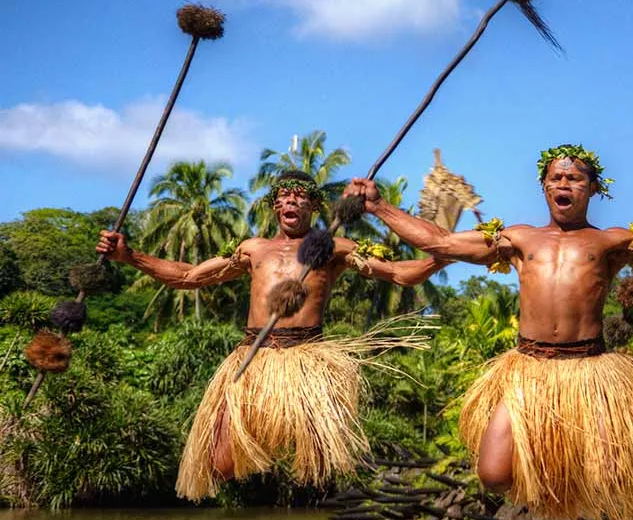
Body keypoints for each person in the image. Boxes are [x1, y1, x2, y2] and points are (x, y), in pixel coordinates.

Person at [346, 144, 633, 520]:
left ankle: (575, 504)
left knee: (611, 474)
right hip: (529, 369)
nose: (564, 185)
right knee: (492, 474)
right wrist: (379, 206)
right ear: (544, 185)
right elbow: (440, 241)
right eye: (556, 178)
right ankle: (545, 483)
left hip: (589, 370)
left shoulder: (612, 241)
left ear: (593, 188)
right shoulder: (518, 239)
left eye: (574, 179)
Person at [98, 169, 450, 500]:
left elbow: (401, 274)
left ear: (313, 206)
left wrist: (443, 256)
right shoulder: (253, 249)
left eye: (299, 197)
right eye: (283, 197)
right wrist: (129, 256)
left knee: (318, 466)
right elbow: (189, 277)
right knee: (219, 464)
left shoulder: (335, 248)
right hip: (253, 357)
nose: (290, 202)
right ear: (274, 206)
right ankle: (259, 459)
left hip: (306, 361)